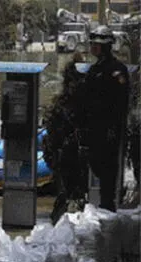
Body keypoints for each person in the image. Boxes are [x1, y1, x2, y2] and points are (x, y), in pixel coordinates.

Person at [76, 25, 130, 212]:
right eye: (92, 44)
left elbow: (121, 103)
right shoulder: (94, 70)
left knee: (108, 172)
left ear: (105, 47)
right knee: (94, 165)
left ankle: (108, 207)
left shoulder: (117, 70)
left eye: (96, 45)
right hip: (92, 129)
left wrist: (114, 129)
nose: (93, 48)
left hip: (108, 130)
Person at [42, 53, 88, 223]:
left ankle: (61, 222)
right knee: (71, 193)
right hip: (69, 156)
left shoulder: (64, 103)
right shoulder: (72, 103)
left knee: (67, 193)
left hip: (67, 156)